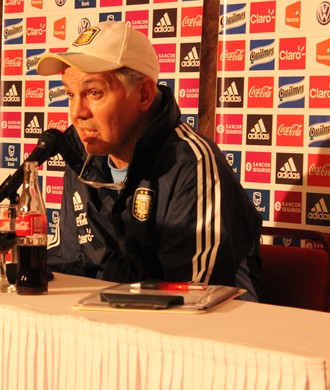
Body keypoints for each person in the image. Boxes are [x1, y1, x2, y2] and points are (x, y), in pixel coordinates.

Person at [36, 21, 264, 301]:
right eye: (70, 94)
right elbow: (69, 266)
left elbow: (194, 295)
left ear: (143, 93)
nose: (77, 112)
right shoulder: (81, 161)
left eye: (94, 93)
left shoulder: (192, 165)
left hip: (202, 333)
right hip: (109, 324)